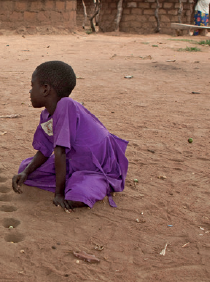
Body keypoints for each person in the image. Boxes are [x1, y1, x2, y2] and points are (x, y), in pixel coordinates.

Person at [12, 61, 129, 211]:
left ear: (45, 89)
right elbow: (45, 149)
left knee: (77, 196)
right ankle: (75, 180)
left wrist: (59, 193)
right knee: (25, 168)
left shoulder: (66, 105)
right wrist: (25, 172)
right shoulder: (47, 115)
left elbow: (59, 151)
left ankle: (96, 183)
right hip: (73, 162)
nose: (29, 91)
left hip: (96, 167)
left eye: (32, 85)